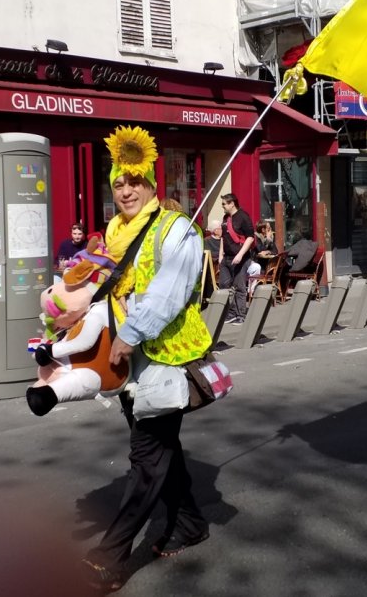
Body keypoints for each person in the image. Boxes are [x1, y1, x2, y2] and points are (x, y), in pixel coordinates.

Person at [81, 125, 212, 592]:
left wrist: (130, 334)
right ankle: (192, 522)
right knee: (159, 452)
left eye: (135, 181)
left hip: (163, 358)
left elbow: (169, 292)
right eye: (119, 182)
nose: (127, 190)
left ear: (152, 184)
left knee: (146, 456)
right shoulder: (113, 236)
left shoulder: (176, 230)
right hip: (127, 366)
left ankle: (110, 556)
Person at [219, 193, 255, 324]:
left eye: (224, 203)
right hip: (226, 257)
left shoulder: (243, 217)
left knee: (239, 286)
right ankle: (232, 313)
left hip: (240, 258)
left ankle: (241, 314)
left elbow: (250, 237)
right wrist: (221, 254)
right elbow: (223, 237)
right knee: (223, 284)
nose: (222, 206)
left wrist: (240, 254)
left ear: (232, 203)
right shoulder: (225, 217)